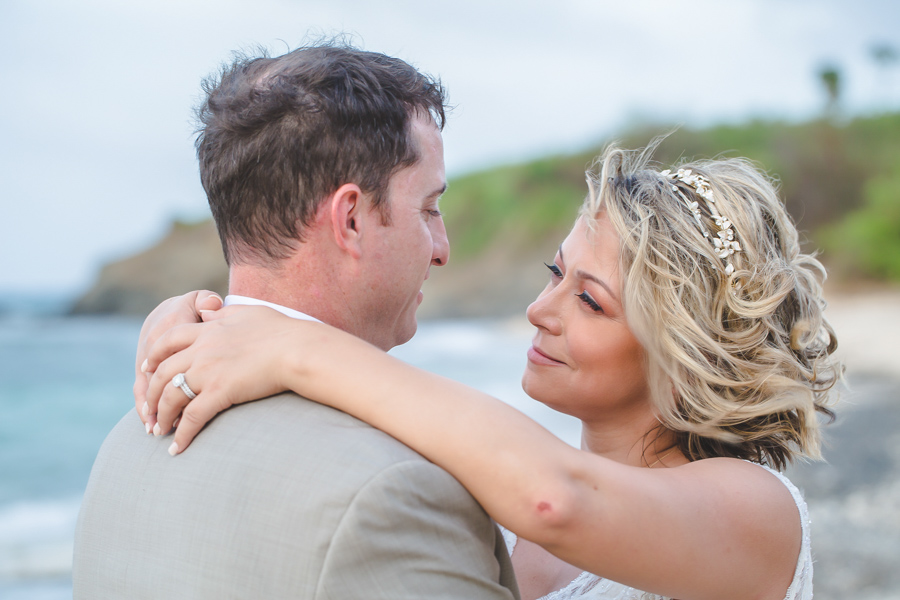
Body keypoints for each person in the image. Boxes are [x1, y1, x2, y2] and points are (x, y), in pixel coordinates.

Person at [137, 141, 841, 600]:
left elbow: (556, 498)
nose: (540, 310)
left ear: (687, 356)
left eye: (589, 300)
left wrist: (292, 347)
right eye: (554, 274)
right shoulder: (513, 496)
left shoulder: (761, 514)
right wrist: (207, 318)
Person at [73, 43, 520, 599]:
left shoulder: (123, 446)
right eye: (429, 209)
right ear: (350, 219)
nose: (442, 248)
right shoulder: (396, 492)